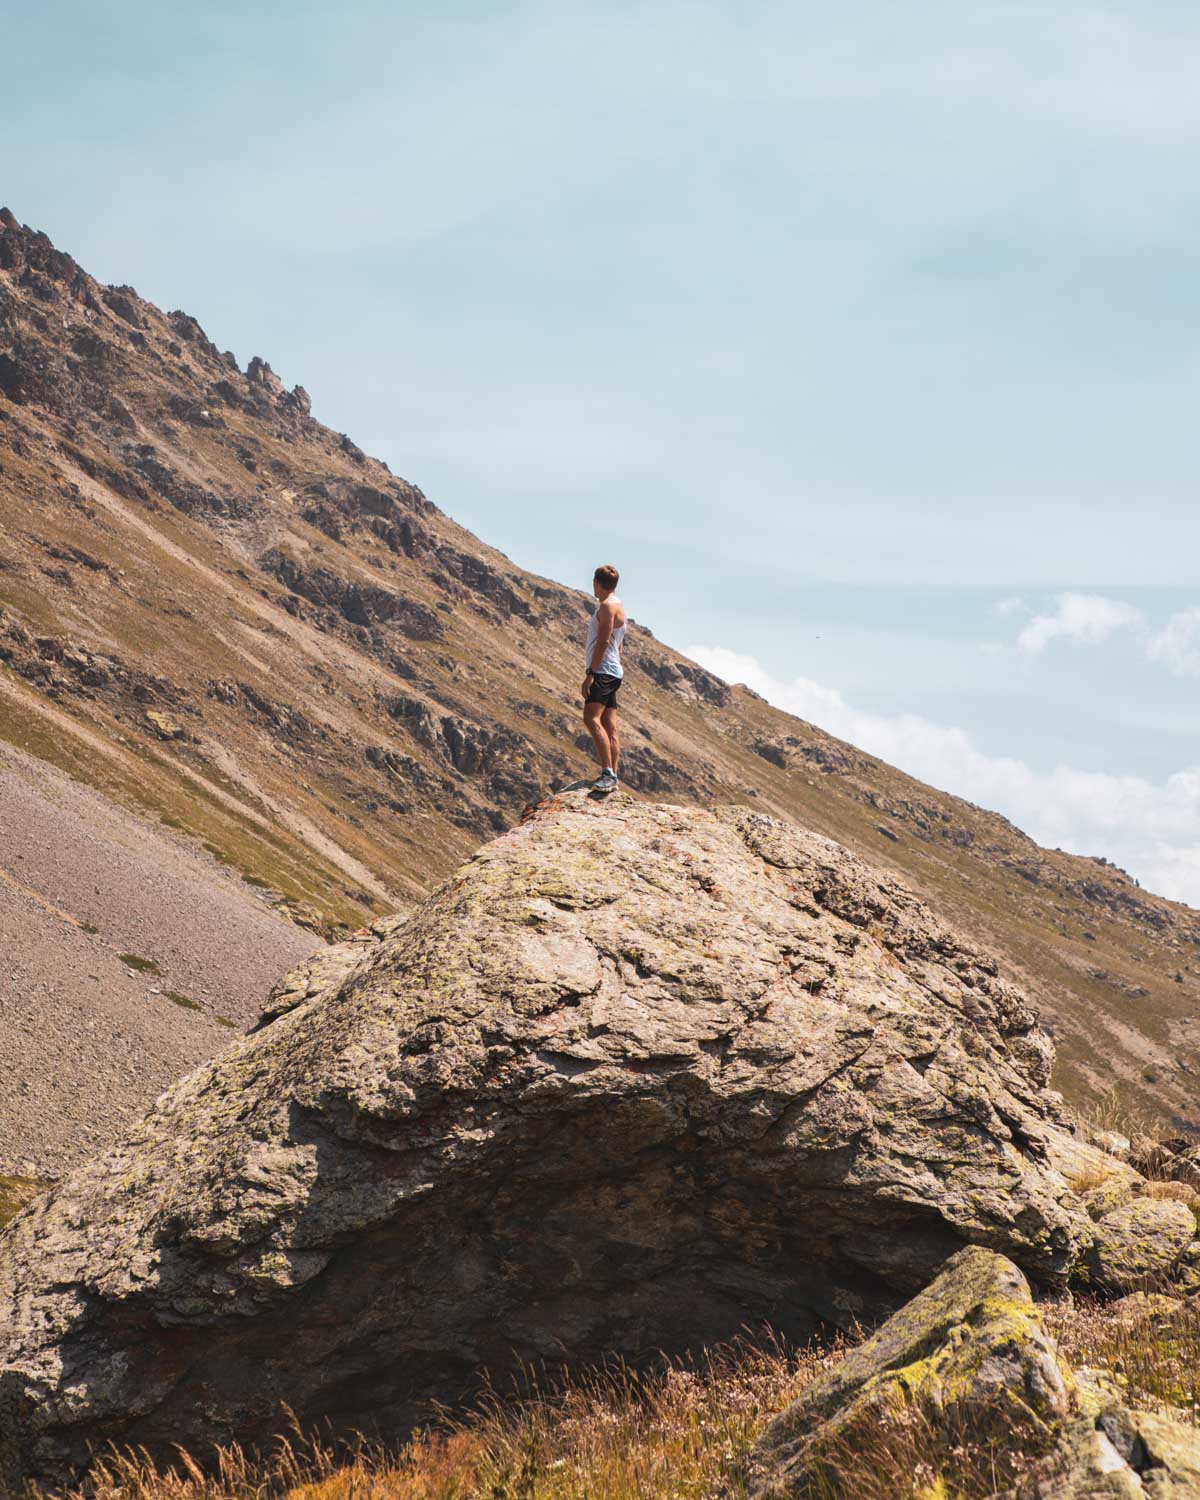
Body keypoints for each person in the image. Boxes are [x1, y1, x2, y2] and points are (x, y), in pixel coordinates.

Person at [581, 563, 627, 792]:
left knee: (590, 717)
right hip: (612, 670)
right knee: (609, 724)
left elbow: (605, 640)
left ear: (597, 584)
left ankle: (608, 774)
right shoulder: (619, 606)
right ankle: (614, 774)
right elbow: (619, 646)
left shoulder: (607, 607)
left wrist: (591, 673)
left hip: (603, 672)